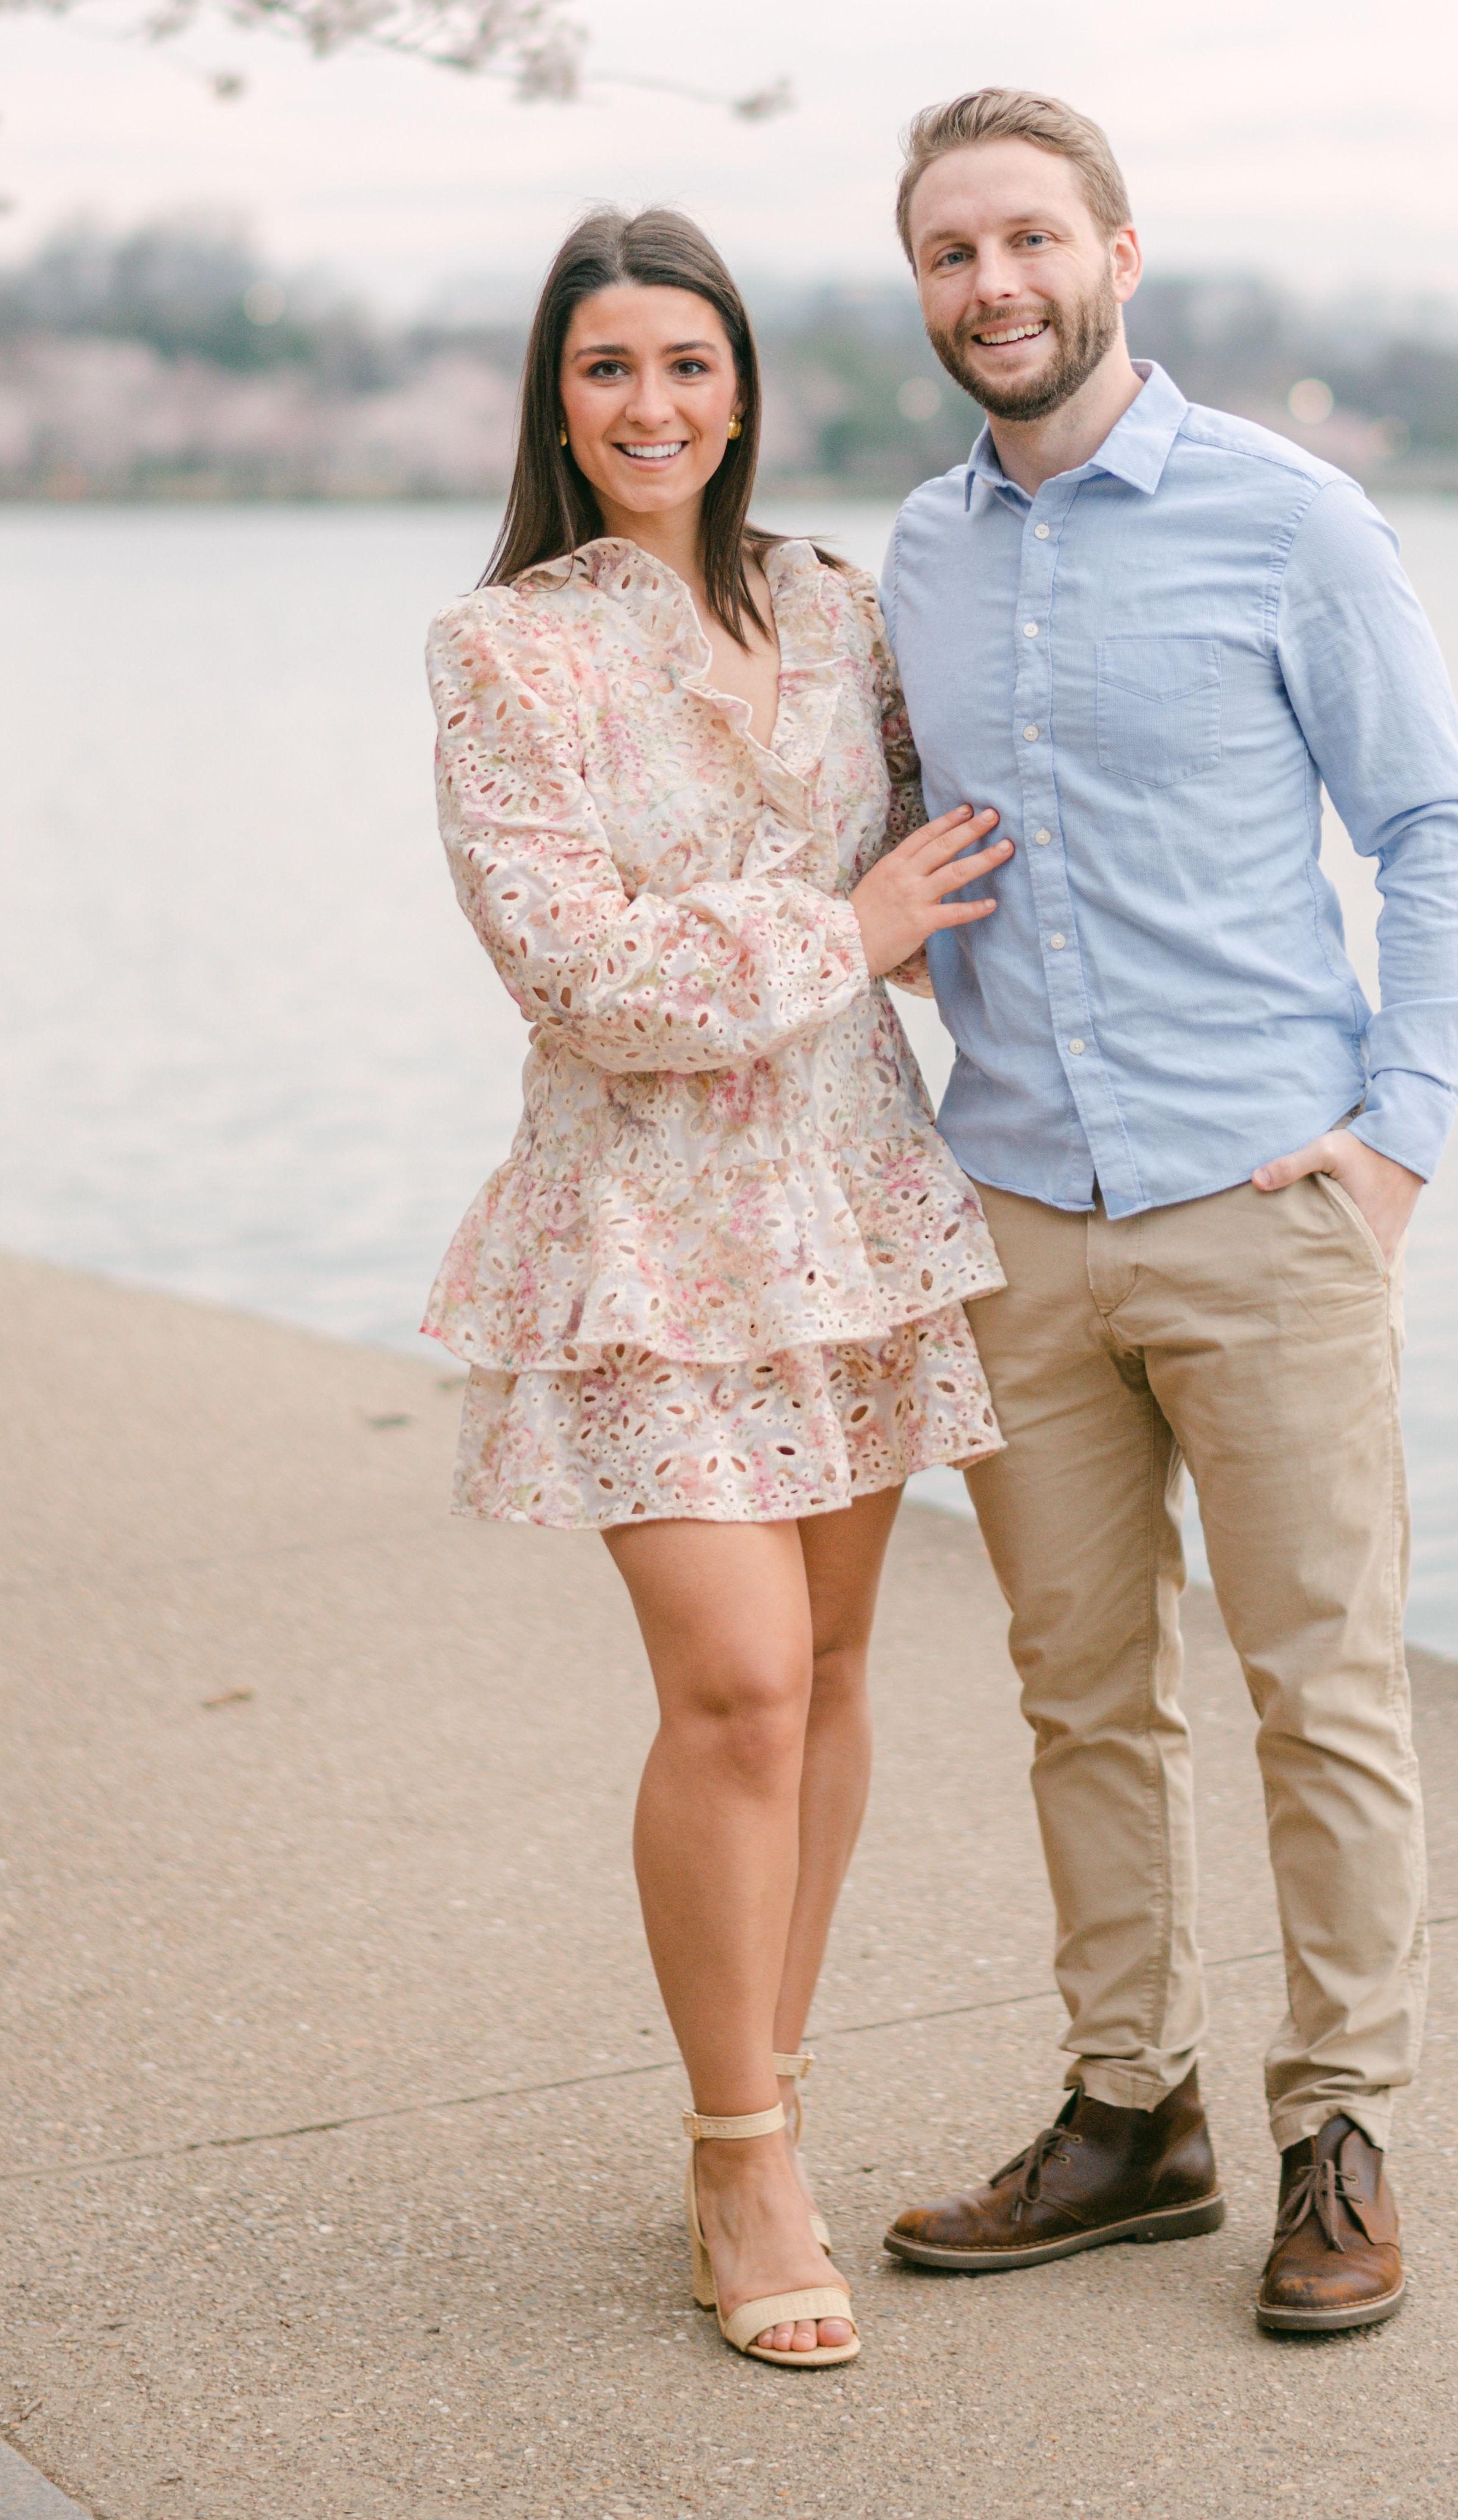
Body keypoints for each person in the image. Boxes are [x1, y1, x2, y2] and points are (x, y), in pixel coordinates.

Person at [873, 89, 1458, 2338]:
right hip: (1022, 1206)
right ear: (925, 287)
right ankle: (1129, 2115)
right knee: (1077, 1692)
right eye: (951, 254)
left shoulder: (1287, 518)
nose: (993, 288)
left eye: (1029, 239)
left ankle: (1338, 2124)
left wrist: (1397, 1137)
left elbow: (1432, 826)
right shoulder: (916, 564)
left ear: (1118, 254)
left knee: (1321, 1686)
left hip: (1265, 1200)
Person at [423, 205, 1016, 2370]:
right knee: (739, 1680)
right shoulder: (506, 649)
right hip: (648, 1231)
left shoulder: (832, 604)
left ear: (741, 387)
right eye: (607, 370)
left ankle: (770, 2073)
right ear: (556, 403)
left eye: (687, 363)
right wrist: (838, 934)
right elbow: (583, 974)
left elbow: (964, 846)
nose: (651, 404)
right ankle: (737, 2155)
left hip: (853, 1202)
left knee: (840, 1661)